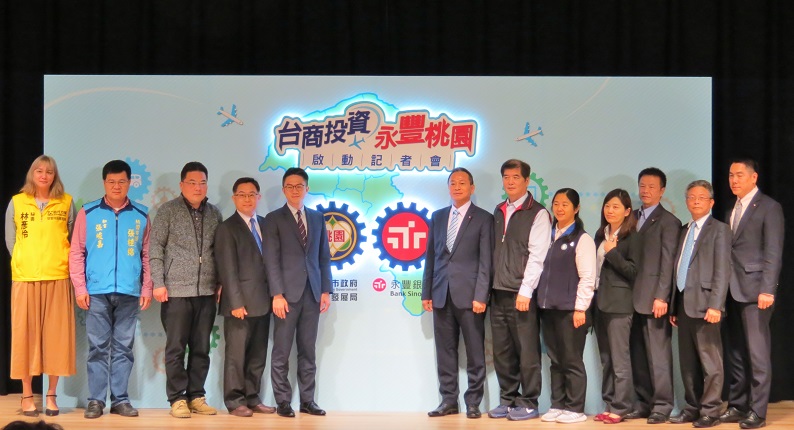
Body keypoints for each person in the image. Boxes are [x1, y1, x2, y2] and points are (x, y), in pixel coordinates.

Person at [68, 159, 152, 419]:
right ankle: (95, 400)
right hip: (96, 292)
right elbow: (76, 252)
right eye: (112, 181)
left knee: (124, 348)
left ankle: (120, 400)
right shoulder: (88, 212)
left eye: (122, 181)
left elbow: (147, 254)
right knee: (98, 348)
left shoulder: (141, 214)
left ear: (129, 183)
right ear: (104, 183)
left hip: (129, 291)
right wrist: (80, 287)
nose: (117, 186)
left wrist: (146, 287)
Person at [149, 161, 223, 418]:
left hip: (206, 292)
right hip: (176, 292)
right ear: (181, 185)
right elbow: (155, 248)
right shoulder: (167, 211)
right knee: (176, 349)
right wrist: (158, 283)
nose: (197, 187)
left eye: (202, 182)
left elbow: (220, 252)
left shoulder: (214, 213)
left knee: (201, 348)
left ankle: (196, 396)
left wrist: (220, 283)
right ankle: (177, 399)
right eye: (192, 182)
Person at [5, 155, 76, 417]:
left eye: (49, 171)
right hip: (25, 278)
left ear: (55, 176)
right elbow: (11, 241)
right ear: (32, 174)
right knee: (25, 337)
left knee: (56, 338)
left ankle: (52, 395)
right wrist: (25, 261)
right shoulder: (17, 202)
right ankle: (26, 395)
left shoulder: (66, 202)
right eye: (39, 171)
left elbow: (72, 239)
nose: (44, 175)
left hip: (58, 277)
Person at [422, 168, 493, 419]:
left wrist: (481, 296)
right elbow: (431, 256)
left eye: (462, 183)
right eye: (453, 183)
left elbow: (486, 261)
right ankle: (448, 400)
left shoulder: (483, 218)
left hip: (471, 296)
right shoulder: (438, 216)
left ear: (472, 188)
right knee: (445, 352)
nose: (457, 187)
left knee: (475, 352)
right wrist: (426, 292)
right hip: (441, 293)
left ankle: (473, 402)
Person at [720, 158, 784, 429]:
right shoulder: (731, 208)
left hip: (756, 290)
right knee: (735, 352)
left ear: (753, 177)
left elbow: (773, 252)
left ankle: (757, 411)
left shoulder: (769, 207)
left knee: (757, 354)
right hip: (730, 290)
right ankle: (737, 404)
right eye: (730, 175)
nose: (734, 180)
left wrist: (767, 289)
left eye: (739, 175)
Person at [263, 167, 332, 418]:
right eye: (290, 186)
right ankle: (283, 401)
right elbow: (270, 259)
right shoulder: (273, 219)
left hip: (312, 293)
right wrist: (277, 294)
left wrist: (326, 290)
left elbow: (323, 257)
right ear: (284, 190)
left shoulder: (317, 218)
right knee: (281, 351)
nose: (295, 190)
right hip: (286, 296)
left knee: (308, 350)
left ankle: (307, 401)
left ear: (307, 188)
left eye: (299, 186)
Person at [488, 159, 551, 421]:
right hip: (498, 291)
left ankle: (529, 402)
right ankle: (508, 399)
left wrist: (526, 290)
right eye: (506, 177)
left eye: (516, 177)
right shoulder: (498, 210)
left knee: (527, 351)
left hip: (521, 293)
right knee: (502, 351)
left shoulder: (538, 213)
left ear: (527, 181)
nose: (510, 182)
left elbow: (538, 256)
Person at [669, 180, 731, 428]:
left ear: (711, 202)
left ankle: (711, 410)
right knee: (688, 363)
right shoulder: (684, 229)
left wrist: (716, 305)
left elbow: (722, 271)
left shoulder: (720, 230)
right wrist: (674, 305)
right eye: (691, 197)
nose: (695, 201)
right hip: (684, 303)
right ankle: (692, 407)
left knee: (710, 363)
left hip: (707, 306)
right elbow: (679, 267)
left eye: (701, 197)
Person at [214, 177, 275, 417]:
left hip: (264, 301)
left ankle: (252, 397)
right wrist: (236, 302)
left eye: (252, 194)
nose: (247, 199)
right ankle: (235, 400)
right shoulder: (227, 228)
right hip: (239, 304)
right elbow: (227, 269)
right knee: (236, 355)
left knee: (258, 355)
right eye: (242, 194)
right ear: (234, 198)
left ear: (259, 197)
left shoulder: (265, 224)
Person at [536, 188, 596, 424]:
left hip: (571, 311)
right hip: (548, 308)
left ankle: (575, 408)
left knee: (571, 360)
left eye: (565, 204)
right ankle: (557, 404)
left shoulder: (582, 239)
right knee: (555, 360)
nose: (559, 208)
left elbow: (588, 277)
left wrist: (580, 308)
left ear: (576, 208)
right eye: (556, 204)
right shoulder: (547, 236)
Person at [629, 168, 681, 423]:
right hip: (629, 298)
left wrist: (663, 296)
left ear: (662, 191)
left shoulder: (669, 222)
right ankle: (643, 403)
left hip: (654, 300)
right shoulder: (630, 216)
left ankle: (662, 405)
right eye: (642, 185)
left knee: (658, 356)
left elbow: (669, 263)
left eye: (651, 186)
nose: (645, 190)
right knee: (637, 354)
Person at [593, 188, 641, 424]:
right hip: (599, 303)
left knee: (620, 358)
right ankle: (609, 402)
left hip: (620, 304)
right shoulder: (600, 234)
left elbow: (633, 271)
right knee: (606, 359)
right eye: (607, 206)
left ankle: (621, 407)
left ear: (627, 211)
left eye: (616, 207)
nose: (610, 211)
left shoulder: (632, 237)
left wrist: (612, 253)